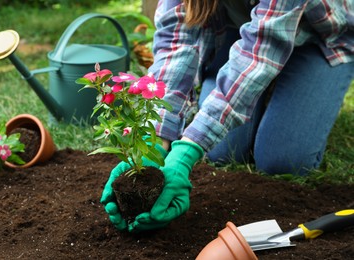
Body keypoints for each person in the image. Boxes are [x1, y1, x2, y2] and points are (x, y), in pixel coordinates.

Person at [101, 0, 354, 232]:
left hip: (320, 37)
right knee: (222, 151)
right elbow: (175, 44)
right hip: (243, 33)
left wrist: (187, 152)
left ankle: (286, 82)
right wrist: (154, 142)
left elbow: (260, 55)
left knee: (284, 160)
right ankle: (266, 90)